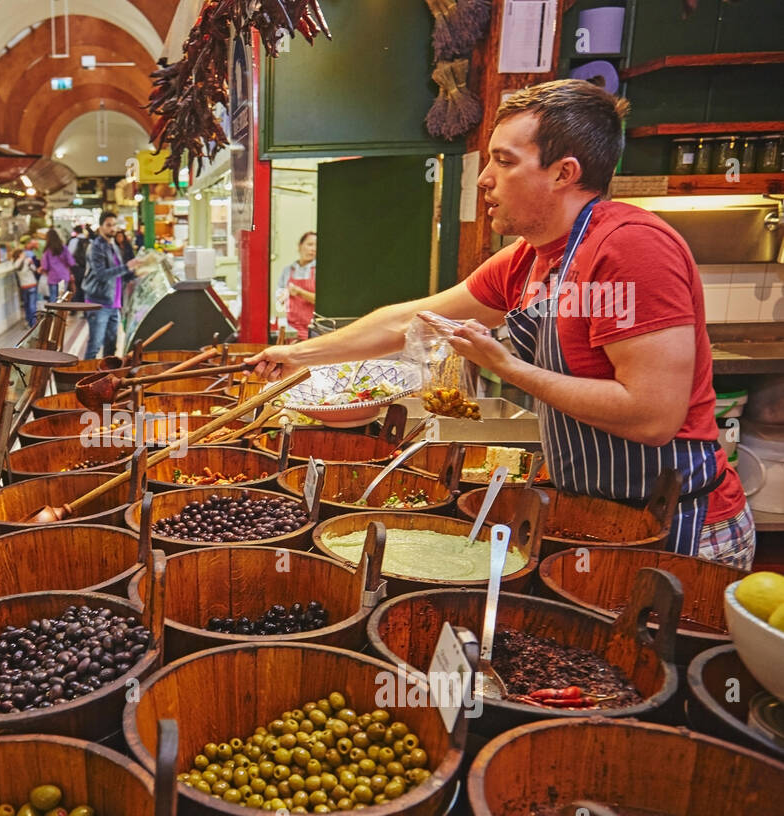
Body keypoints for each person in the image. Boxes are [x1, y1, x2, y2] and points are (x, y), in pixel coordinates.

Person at [247, 79, 752, 569]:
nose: (484, 178)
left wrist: (508, 367)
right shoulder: (528, 259)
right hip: (596, 516)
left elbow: (652, 417)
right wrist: (297, 356)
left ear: (563, 173)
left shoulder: (629, 248)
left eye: (504, 162)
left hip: (678, 528)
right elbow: (409, 319)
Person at [81, 211, 136, 359]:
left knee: (111, 345)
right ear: (100, 227)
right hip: (98, 303)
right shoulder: (96, 247)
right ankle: (86, 373)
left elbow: (116, 273)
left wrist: (133, 274)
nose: (112, 228)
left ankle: (107, 372)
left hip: (114, 303)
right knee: (95, 345)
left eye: (114, 225)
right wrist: (127, 267)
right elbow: (102, 275)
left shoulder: (112, 245)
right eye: (108, 225)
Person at [278, 231, 317, 341]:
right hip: (292, 329)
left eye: (316, 246)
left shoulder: (319, 271)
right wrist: (285, 293)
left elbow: (321, 301)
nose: (313, 249)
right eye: (310, 244)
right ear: (300, 246)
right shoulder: (287, 271)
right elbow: (279, 302)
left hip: (313, 330)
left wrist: (300, 292)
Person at [40, 228, 76, 303]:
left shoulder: (47, 251)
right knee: (62, 299)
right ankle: (60, 311)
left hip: (52, 277)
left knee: (53, 298)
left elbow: (45, 266)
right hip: (63, 276)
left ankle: (53, 311)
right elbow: (71, 262)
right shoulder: (64, 248)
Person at [12, 238, 41, 327]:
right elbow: (34, 269)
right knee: (32, 305)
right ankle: (33, 324)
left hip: (23, 286)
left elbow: (16, 267)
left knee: (26, 305)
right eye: (22, 253)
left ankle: (28, 321)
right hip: (32, 284)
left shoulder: (15, 263)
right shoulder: (27, 260)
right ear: (20, 254)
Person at [68, 225, 91, 301]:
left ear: (76, 232)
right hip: (88, 268)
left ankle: (76, 304)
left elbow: (69, 255)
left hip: (76, 268)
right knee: (85, 287)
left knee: (76, 288)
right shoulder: (90, 241)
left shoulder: (73, 241)